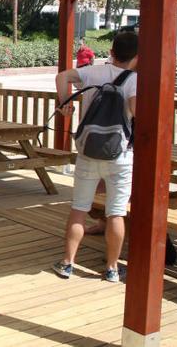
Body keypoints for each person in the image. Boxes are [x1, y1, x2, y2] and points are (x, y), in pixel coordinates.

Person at [52, 31, 138, 283]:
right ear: (137, 56)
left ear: (111, 51)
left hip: (88, 153)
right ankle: (112, 268)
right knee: (116, 213)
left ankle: (67, 263)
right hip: (119, 155)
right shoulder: (134, 80)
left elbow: (62, 76)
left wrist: (64, 101)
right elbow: (134, 110)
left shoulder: (93, 72)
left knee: (79, 208)